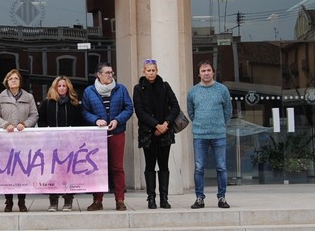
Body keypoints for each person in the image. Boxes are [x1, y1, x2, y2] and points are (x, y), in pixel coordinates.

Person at [81, 62, 134, 211]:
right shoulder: (89, 91)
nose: (110, 75)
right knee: (97, 168)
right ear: (99, 75)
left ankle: (120, 199)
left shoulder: (121, 89)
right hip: (97, 136)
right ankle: (97, 200)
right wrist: (95, 120)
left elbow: (129, 108)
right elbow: (84, 111)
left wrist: (118, 120)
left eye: (111, 72)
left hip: (117, 133)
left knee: (117, 168)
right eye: (107, 73)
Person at [133, 59, 180, 209]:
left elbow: (175, 106)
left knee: (164, 164)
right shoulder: (138, 88)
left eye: (153, 70)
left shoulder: (165, 86)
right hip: (148, 133)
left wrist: (165, 124)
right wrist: (156, 125)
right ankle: (151, 198)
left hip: (165, 131)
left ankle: (164, 198)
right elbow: (139, 111)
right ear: (144, 71)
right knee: (150, 165)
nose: (151, 73)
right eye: (148, 70)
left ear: (157, 71)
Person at [0, 69, 39, 212]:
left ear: (20, 81)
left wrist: (25, 124)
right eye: (10, 78)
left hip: (23, 139)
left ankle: (22, 201)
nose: (13, 80)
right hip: (6, 139)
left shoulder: (28, 97)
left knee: (22, 171)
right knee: (8, 171)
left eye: (16, 78)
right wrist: (5, 124)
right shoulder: (0, 98)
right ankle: (9, 201)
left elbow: (34, 115)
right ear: (6, 81)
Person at [186, 60, 232, 209]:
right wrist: (201, 123)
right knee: (199, 167)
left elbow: (228, 111)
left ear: (213, 72)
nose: (206, 73)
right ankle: (199, 198)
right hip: (200, 135)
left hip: (218, 134)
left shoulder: (222, 90)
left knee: (221, 167)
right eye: (203, 71)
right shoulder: (192, 92)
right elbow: (191, 112)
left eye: (208, 70)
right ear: (198, 73)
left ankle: (222, 198)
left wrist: (218, 124)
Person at [37, 75, 84, 212]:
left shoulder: (74, 103)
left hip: (69, 145)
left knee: (68, 172)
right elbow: (41, 121)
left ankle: (68, 200)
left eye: (64, 86)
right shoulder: (48, 103)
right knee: (53, 172)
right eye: (59, 86)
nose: (62, 88)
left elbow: (79, 123)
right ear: (55, 88)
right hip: (51, 144)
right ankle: (53, 201)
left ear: (68, 87)